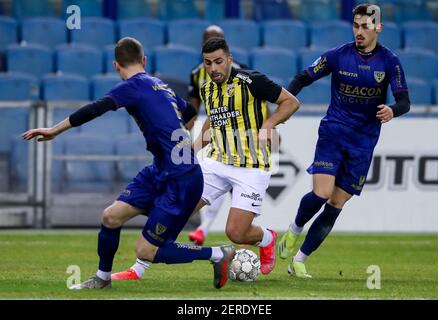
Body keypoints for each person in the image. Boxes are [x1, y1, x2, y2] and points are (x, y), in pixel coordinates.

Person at [22, 37, 236, 290]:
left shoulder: (132, 86)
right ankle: (102, 278)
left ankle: (217, 254)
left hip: (181, 179)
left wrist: (54, 130)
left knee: (147, 251)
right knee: (111, 217)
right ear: (144, 61)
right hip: (160, 171)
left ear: (116, 65)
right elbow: (189, 113)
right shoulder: (160, 86)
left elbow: (95, 108)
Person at [113, 37, 300, 280]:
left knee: (236, 233)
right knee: (176, 210)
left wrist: (269, 124)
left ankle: (267, 238)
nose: (213, 69)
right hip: (216, 163)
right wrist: (190, 151)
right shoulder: (207, 88)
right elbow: (213, 122)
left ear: (229, 60)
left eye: (218, 62)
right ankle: (138, 269)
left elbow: (291, 102)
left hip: (251, 167)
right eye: (208, 63)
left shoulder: (252, 81)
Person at [277, 3, 411, 278]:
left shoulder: (389, 61)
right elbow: (302, 77)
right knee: (321, 193)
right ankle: (294, 229)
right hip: (334, 132)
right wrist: (285, 104)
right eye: (356, 26)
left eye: (365, 26)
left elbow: (404, 101)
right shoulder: (338, 56)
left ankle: (300, 260)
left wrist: (392, 110)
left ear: (378, 28)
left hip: (364, 142)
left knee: (336, 203)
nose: (359, 32)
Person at [187, 25, 247, 246]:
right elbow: (194, 111)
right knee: (211, 185)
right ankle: (203, 228)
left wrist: (268, 129)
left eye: (217, 38)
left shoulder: (242, 71)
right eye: (208, 38)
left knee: (236, 192)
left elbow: (259, 102)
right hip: (217, 138)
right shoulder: (197, 75)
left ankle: (243, 238)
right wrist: (188, 136)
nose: (213, 40)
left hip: (243, 141)